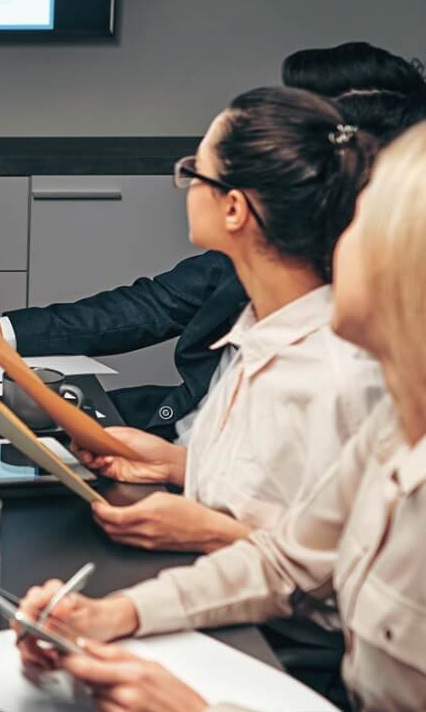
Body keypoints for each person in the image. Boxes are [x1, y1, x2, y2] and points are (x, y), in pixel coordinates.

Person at [14, 123, 426, 712]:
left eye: (362, 220)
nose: (334, 237)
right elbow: (283, 557)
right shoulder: (398, 425)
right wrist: (116, 615)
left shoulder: (348, 378)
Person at [0, 41, 426, 436]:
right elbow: (148, 306)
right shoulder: (260, 245)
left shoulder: (351, 332)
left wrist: (174, 469)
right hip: (180, 430)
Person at [69, 88, 385, 557]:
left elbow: (360, 567)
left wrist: (215, 533)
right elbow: (275, 498)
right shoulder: (255, 332)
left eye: (193, 173)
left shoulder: (338, 372)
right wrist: (176, 465)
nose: (187, 186)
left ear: (234, 208)